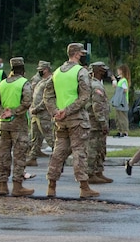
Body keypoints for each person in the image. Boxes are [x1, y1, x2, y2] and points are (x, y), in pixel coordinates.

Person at [43, 43, 99, 199]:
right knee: (79, 152)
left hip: (61, 121)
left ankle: (51, 186)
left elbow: (47, 96)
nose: (83, 56)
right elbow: (85, 96)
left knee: (58, 152)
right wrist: (67, 110)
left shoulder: (57, 73)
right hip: (76, 119)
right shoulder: (80, 72)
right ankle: (84, 187)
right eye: (82, 53)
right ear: (77, 54)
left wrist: (56, 112)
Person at [0, 57, 34, 197]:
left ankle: (3, 185)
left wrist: (1, 111)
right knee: (19, 155)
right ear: (23, 70)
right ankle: (17, 186)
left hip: (4, 124)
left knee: (3, 155)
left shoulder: (3, 83)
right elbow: (27, 101)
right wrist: (14, 111)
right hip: (18, 124)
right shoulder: (24, 83)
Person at [87, 62, 113, 184]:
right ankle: (90, 173)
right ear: (98, 71)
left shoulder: (98, 84)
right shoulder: (95, 86)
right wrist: (103, 123)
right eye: (103, 70)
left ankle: (98, 171)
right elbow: (97, 107)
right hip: (95, 124)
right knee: (93, 149)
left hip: (98, 123)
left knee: (101, 149)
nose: (105, 73)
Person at [26, 61, 54, 165]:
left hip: (43, 114)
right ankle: (33, 157)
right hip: (35, 114)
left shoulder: (50, 81)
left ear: (46, 70)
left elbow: (47, 98)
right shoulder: (42, 81)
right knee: (35, 137)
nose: (39, 72)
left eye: (41, 70)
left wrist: (37, 108)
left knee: (50, 138)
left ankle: (59, 159)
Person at [110, 64, 131, 137]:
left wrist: (118, 86)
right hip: (118, 101)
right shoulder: (120, 80)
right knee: (117, 117)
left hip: (122, 101)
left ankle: (125, 131)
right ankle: (120, 130)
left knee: (122, 117)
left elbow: (124, 90)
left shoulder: (124, 80)